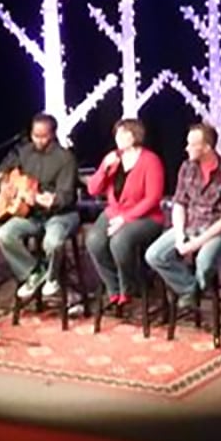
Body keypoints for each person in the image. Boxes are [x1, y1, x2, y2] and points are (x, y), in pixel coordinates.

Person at [145, 123, 221, 310]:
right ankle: (191, 289)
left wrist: (196, 243)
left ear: (207, 148)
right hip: (191, 223)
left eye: (192, 144)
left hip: (218, 228)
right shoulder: (187, 167)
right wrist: (180, 235)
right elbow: (179, 203)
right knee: (154, 255)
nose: (186, 148)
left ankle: (194, 289)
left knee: (203, 262)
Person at [0, 113, 80, 299]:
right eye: (35, 136)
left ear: (53, 134)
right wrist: (5, 183)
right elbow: (4, 168)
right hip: (32, 215)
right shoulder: (24, 152)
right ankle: (34, 271)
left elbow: (65, 197)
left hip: (61, 215)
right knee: (4, 234)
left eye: (43, 136)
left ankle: (52, 277)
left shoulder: (65, 158)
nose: (39, 140)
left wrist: (43, 199)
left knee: (52, 242)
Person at [84, 119, 166, 306]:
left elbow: (153, 198)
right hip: (114, 211)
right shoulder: (113, 158)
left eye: (124, 133)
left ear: (135, 136)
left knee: (120, 241)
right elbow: (93, 189)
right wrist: (104, 168)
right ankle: (113, 287)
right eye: (117, 134)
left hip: (146, 216)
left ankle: (130, 286)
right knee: (94, 241)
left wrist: (125, 219)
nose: (118, 138)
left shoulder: (150, 161)